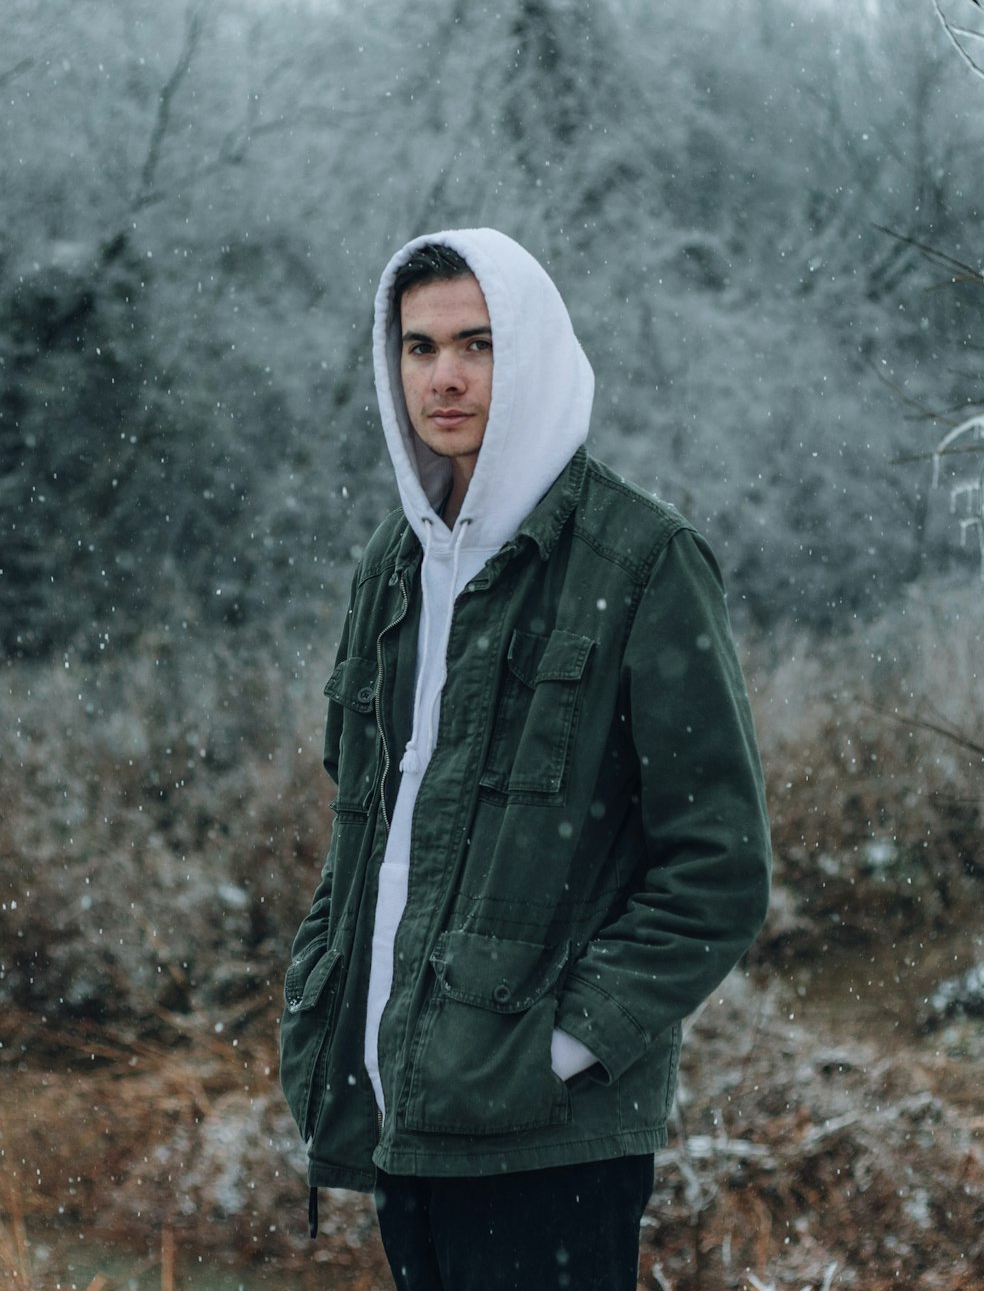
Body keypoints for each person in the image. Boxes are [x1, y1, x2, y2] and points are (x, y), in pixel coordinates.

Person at [280, 228, 771, 1291]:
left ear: (533, 352)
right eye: (418, 348)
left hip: (550, 1137)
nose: (444, 375)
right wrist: (325, 995)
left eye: (476, 343)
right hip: (398, 1105)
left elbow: (717, 869)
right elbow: (363, 822)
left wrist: (561, 1048)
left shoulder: (640, 560)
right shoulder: (394, 562)